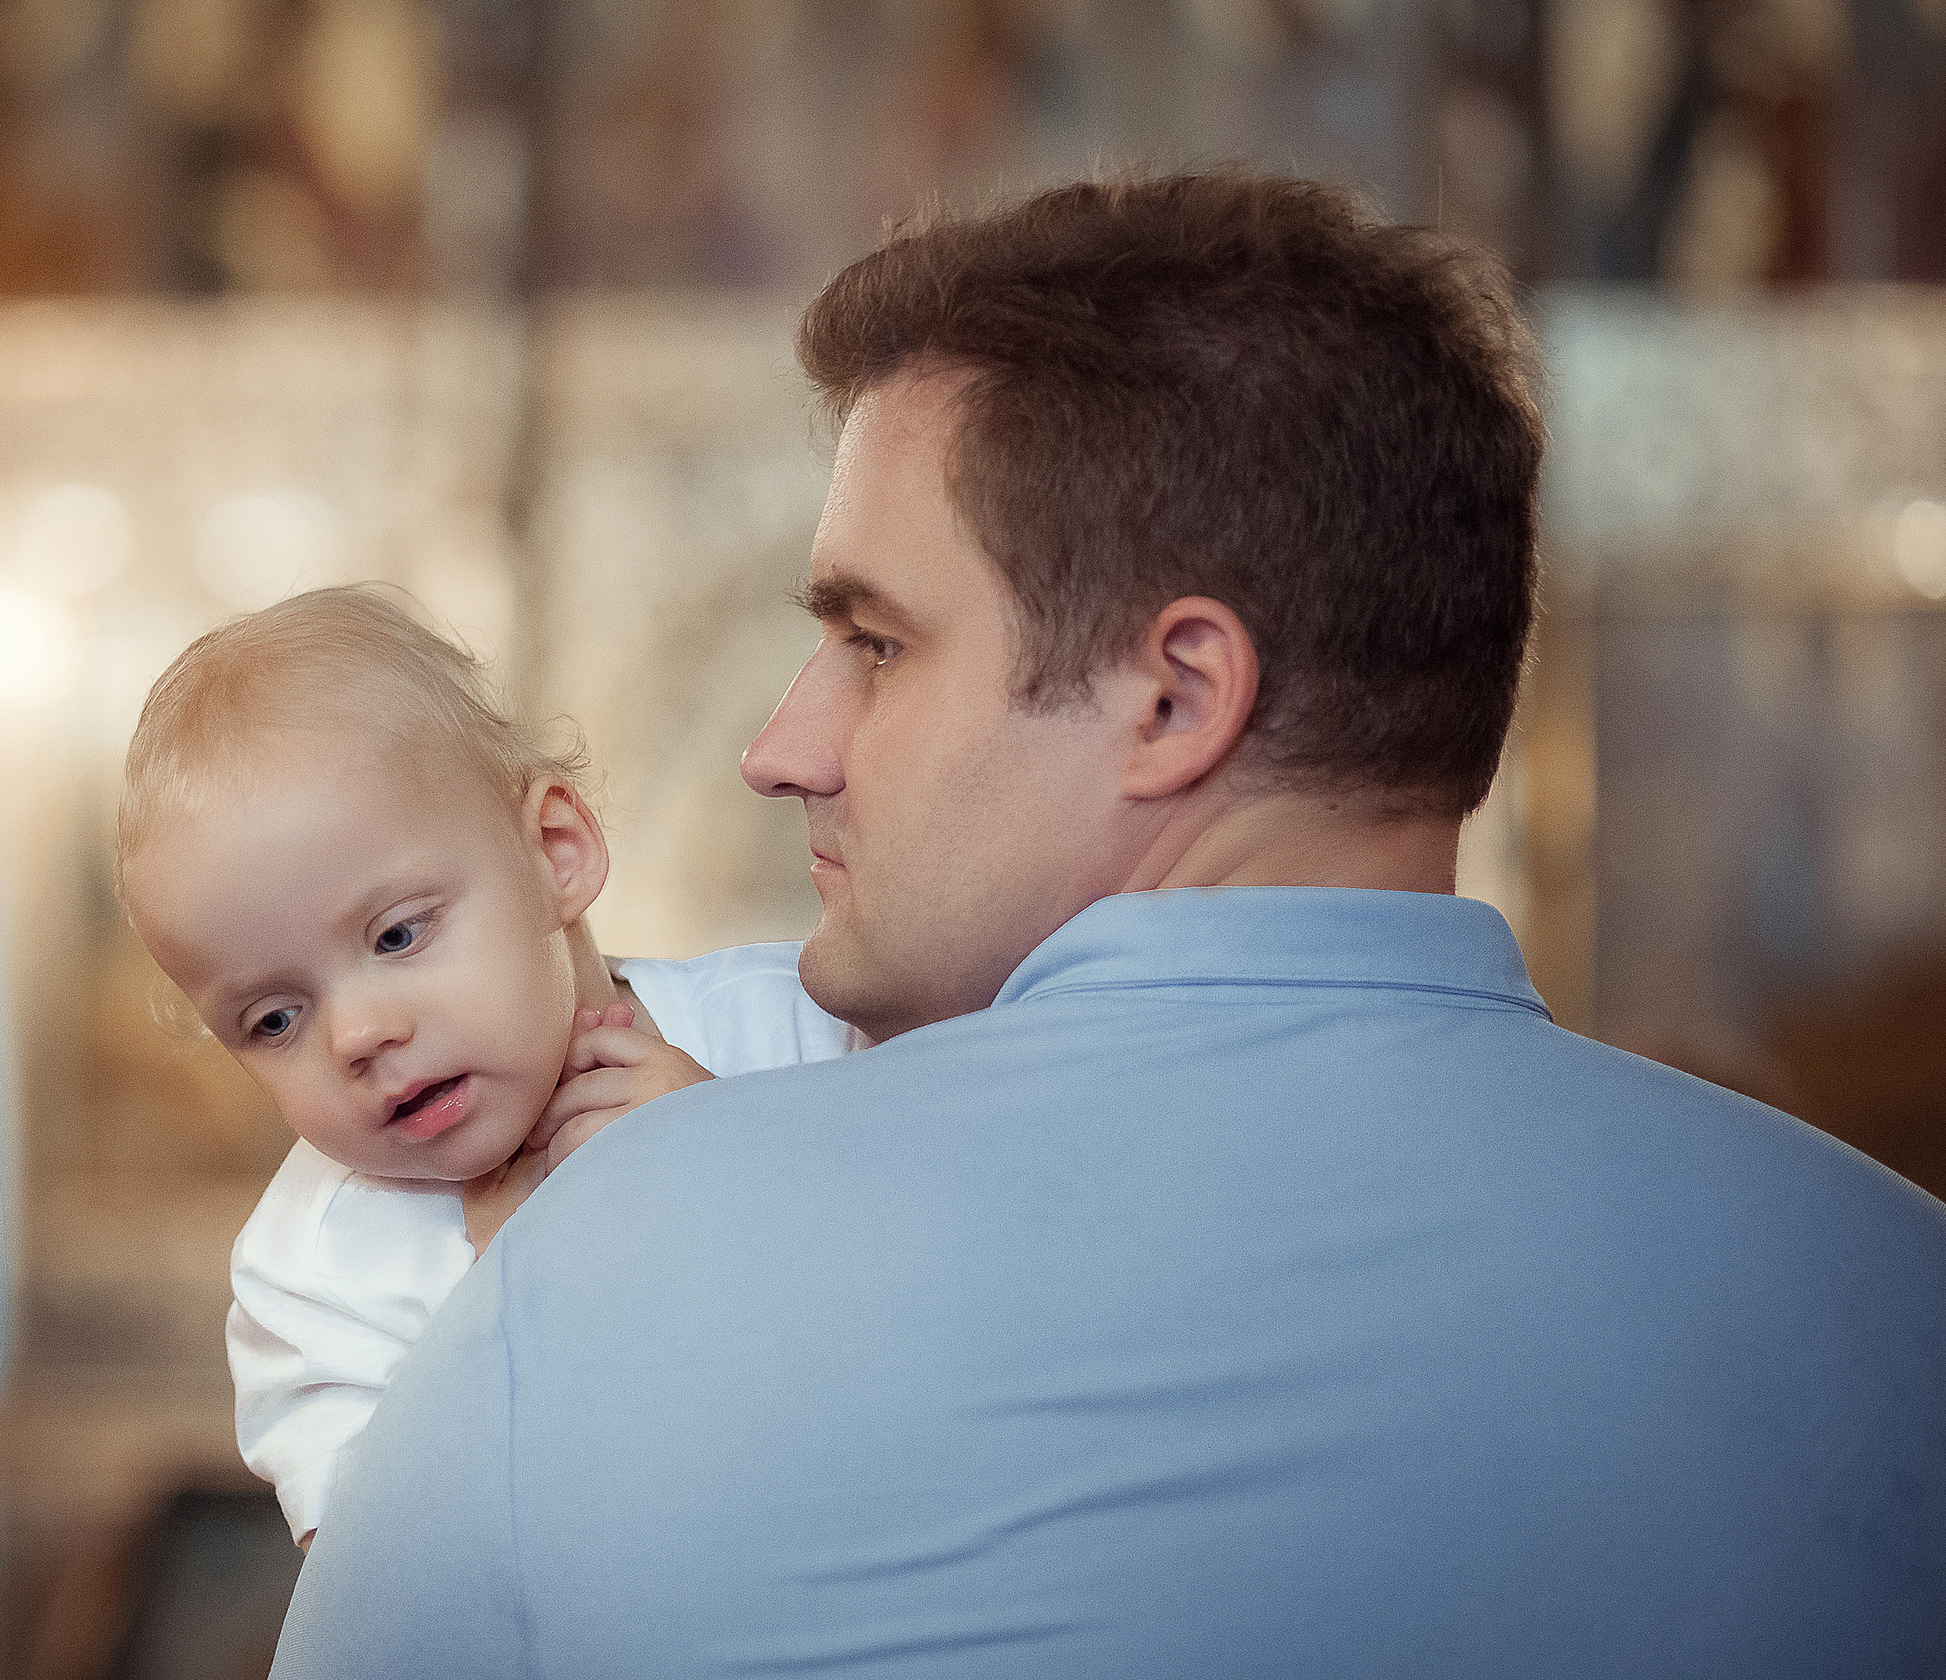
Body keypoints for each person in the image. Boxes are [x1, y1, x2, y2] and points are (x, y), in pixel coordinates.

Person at [269, 171, 1946, 1677]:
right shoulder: (1896, 1303)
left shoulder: (593, 1254)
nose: (781, 748)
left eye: (873, 641)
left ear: (1174, 693)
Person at [115, 587, 858, 1548]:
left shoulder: (798, 1030)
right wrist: (522, 1293)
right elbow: (393, 1608)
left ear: (555, 852)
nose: (356, 1036)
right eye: (275, 1018)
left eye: (396, 933)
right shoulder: (311, 1273)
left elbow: (934, 1313)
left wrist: (730, 1163)